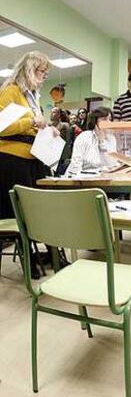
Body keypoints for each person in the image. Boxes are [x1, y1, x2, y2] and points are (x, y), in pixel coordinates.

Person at [0, 51, 58, 278]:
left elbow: (35, 126)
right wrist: (32, 121)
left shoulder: (32, 96)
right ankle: (28, 259)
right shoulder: (11, 91)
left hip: (33, 157)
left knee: (39, 211)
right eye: (42, 71)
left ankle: (51, 256)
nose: (44, 76)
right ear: (29, 70)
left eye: (46, 72)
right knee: (21, 213)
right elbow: (2, 127)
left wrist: (47, 128)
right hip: (12, 159)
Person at [65, 107, 117, 176]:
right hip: (83, 180)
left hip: (105, 179)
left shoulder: (111, 138)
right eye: (104, 119)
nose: (109, 122)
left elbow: (112, 164)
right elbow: (76, 165)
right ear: (95, 121)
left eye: (110, 119)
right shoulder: (84, 137)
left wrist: (102, 143)